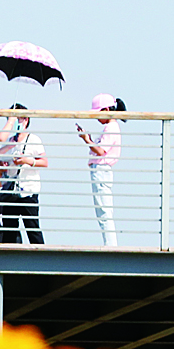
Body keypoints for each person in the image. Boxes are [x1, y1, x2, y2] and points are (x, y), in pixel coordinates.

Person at [0, 105, 47, 244]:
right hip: (10, 190)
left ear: (26, 120)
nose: (15, 122)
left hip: (28, 189)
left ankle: (42, 258)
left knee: (32, 228)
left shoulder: (34, 139)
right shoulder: (10, 141)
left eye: (17, 119)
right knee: (10, 229)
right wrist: (5, 167)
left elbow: (44, 162)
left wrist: (28, 161)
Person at [76, 94, 124, 245]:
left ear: (107, 109)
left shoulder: (111, 127)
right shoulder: (110, 127)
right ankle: (110, 243)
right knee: (103, 209)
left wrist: (87, 140)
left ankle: (110, 245)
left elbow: (101, 151)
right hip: (101, 170)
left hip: (101, 170)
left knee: (103, 210)